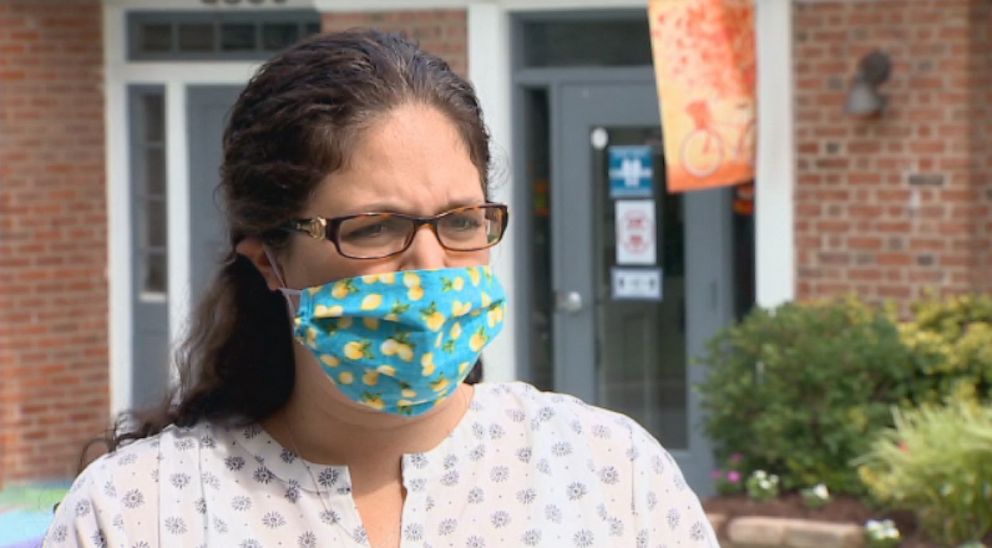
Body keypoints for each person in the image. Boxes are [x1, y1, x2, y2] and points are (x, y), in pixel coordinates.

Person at [46, 30, 717, 547]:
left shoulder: (608, 474)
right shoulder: (143, 510)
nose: (431, 266)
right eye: (373, 229)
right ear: (269, 264)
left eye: (461, 222)